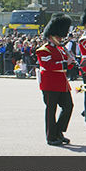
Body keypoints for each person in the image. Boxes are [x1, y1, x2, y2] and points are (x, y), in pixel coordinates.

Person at [37, 14, 75, 146]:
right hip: (50, 85)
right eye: (58, 36)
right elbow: (49, 65)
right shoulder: (43, 50)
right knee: (51, 110)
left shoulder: (61, 49)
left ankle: (58, 131)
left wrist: (71, 61)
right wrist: (66, 62)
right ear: (50, 36)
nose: (60, 38)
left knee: (68, 107)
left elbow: (66, 65)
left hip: (62, 84)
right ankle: (51, 136)